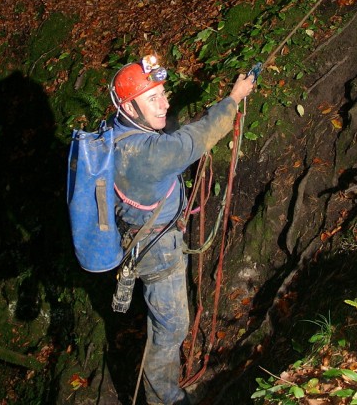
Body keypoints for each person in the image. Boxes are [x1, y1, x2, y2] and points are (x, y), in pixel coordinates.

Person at [109, 54, 256, 405]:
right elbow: (192, 141)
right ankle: (165, 399)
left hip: (145, 237)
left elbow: (169, 129)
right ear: (130, 109)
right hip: (157, 249)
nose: (165, 104)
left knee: (168, 322)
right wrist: (233, 99)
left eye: (163, 93)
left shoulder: (121, 132)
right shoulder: (145, 153)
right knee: (171, 326)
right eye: (153, 99)